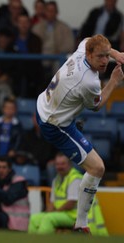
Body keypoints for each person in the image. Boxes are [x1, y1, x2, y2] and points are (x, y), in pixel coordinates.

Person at [36, 34, 124, 233]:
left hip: (45, 105)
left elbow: (88, 38)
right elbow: (97, 105)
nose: (104, 61)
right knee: (97, 168)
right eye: (100, 57)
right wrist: (114, 81)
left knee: (94, 165)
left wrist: (114, 53)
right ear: (89, 54)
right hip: (55, 124)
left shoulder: (83, 48)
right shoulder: (89, 82)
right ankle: (81, 225)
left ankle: (81, 225)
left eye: (105, 56)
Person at [28, 153, 82, 234]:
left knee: (48, 218)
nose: (60, 167)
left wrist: (54, 212)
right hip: (61, 214)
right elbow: (52, 203)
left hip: (74, 216)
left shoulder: (75, 178)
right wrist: (46, 213)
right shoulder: (56, 180)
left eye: (63, 164)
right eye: (57, 164)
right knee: (34, 218)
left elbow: (71, 203)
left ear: (69, 164)